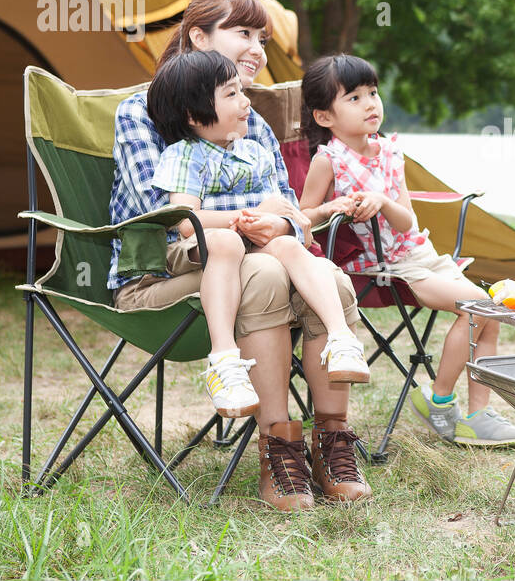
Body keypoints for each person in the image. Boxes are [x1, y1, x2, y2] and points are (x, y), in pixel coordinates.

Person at [107, 0, 371, 509]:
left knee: (333, 279)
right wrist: (255, 222)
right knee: (266, 277)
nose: (258, 50)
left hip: (251, 257)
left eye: (263, 38)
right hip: (163, 273)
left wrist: (285, 228)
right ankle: (279, 447)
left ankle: (333, 442)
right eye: (244, 34)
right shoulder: (145, 111)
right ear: (198, 37)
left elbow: (290, 209)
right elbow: (165, 216)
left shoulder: (253, 125)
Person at [297, 54, 515, 447]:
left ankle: (476, 415)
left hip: (419, 252)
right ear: (324, 117)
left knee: (491, 312)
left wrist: (381, 201)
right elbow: (304, 219)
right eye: (354, 98)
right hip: (383, 266)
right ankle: (439, 400)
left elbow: (406, 221)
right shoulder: (328, 161)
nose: (371, 103)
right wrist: (332, 208)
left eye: (373, 92)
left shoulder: (390, 152)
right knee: (480, 305)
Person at [146, 49, 371, 407]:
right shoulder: (185, 154)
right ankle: (224, 359)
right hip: (202, 249)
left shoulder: (256, 153)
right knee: (226, 244)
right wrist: (245, 216)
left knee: (289, 248)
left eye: (241, 91)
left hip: (254, 243)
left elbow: (279, 209)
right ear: (193, 113)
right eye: (231, 94)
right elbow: (186, 222)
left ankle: (341, 337)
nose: (245, 101)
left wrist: (275, 223)